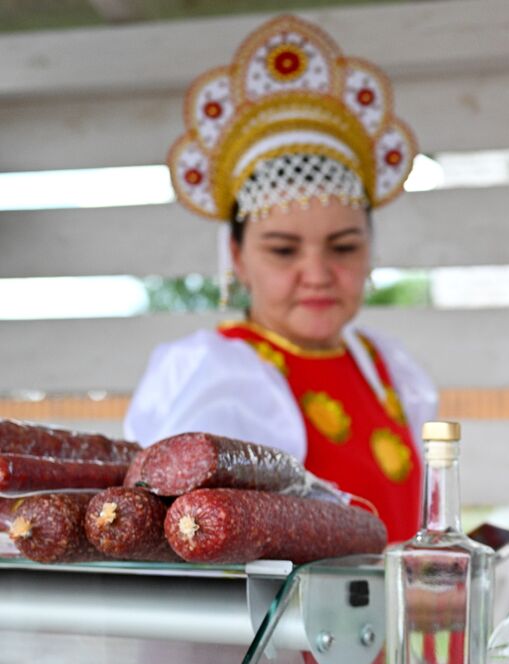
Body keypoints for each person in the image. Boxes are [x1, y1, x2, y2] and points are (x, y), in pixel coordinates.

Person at [126, 14, 435, 543]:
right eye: (283, 250)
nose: (316, 274)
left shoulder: (388, 369)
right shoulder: (220, 373)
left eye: (343, 247)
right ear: (238, 258)